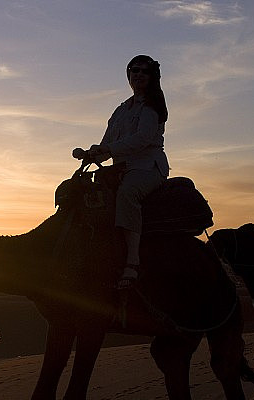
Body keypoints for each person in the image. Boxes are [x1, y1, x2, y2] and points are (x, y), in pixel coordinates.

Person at [73, 54, 170, 288]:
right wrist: (91, 154)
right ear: (128, 75)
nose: (138, 74)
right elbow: (108, 144)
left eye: (144, 71)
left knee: (127, 194)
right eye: (134, 70)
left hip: (147, 168)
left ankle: (132, 261)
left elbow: (143, 138)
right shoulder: (120, 110)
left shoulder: (151, 106)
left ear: (152, 76)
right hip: (121, 169)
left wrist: (107, 149)